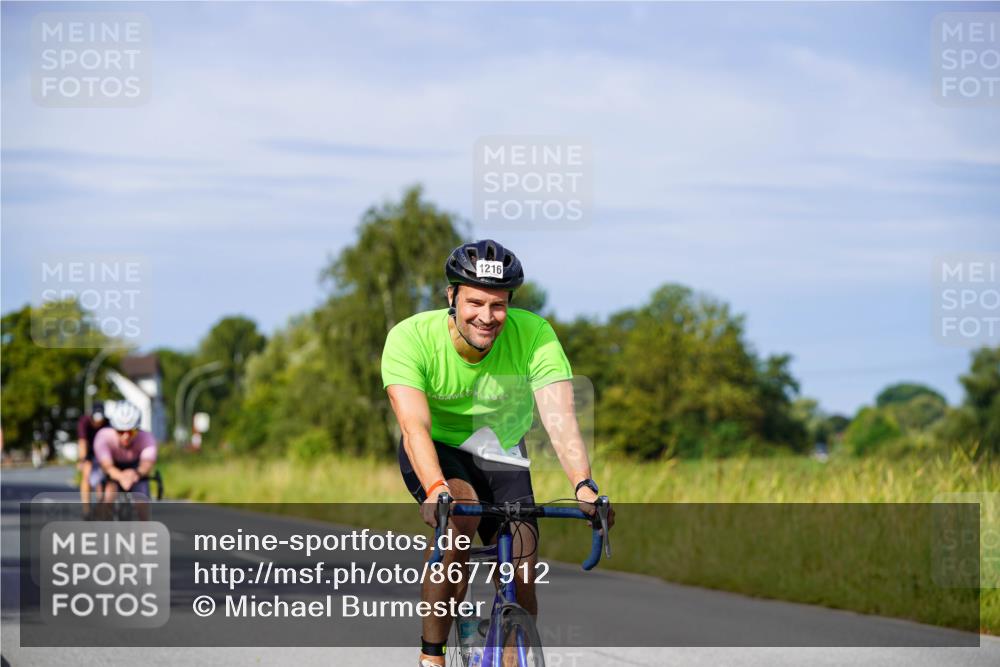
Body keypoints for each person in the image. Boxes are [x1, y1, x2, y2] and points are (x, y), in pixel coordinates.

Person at [382, 239, 613, 667]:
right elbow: (415, 426)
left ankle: (513, 651)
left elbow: (560, 417)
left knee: (523, 566)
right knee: (461, 515)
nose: (486, 317)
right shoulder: (411, 338)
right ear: (451, 296)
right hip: (438, 449)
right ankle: (432, 656)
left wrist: (582, 484)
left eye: (498, 305)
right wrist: (435, 489)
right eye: (475, 303)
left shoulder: (534, 335)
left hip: (499, 447)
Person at [91, 401, 158, 518]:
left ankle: (145, 534)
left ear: (138, 429)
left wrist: (135, 474)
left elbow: (146, 464)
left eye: (131, 431)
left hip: (135, 469)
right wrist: (121, 477)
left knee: (142, 503)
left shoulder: (147, 438)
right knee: (108, 496)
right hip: (112, 468)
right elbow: (107, 466)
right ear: (114, 428)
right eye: (120, 431)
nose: (126, 436)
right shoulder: (103, 436)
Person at [77, 401, 106, 511]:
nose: (98, 422)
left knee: (102, 477)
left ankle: (101, 504)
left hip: (103, 451)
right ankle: (86, 508)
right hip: (88, 450)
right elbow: (82, 442)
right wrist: (82, 460)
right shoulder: (84, 422)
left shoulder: (107, 423)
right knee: (87, 474)